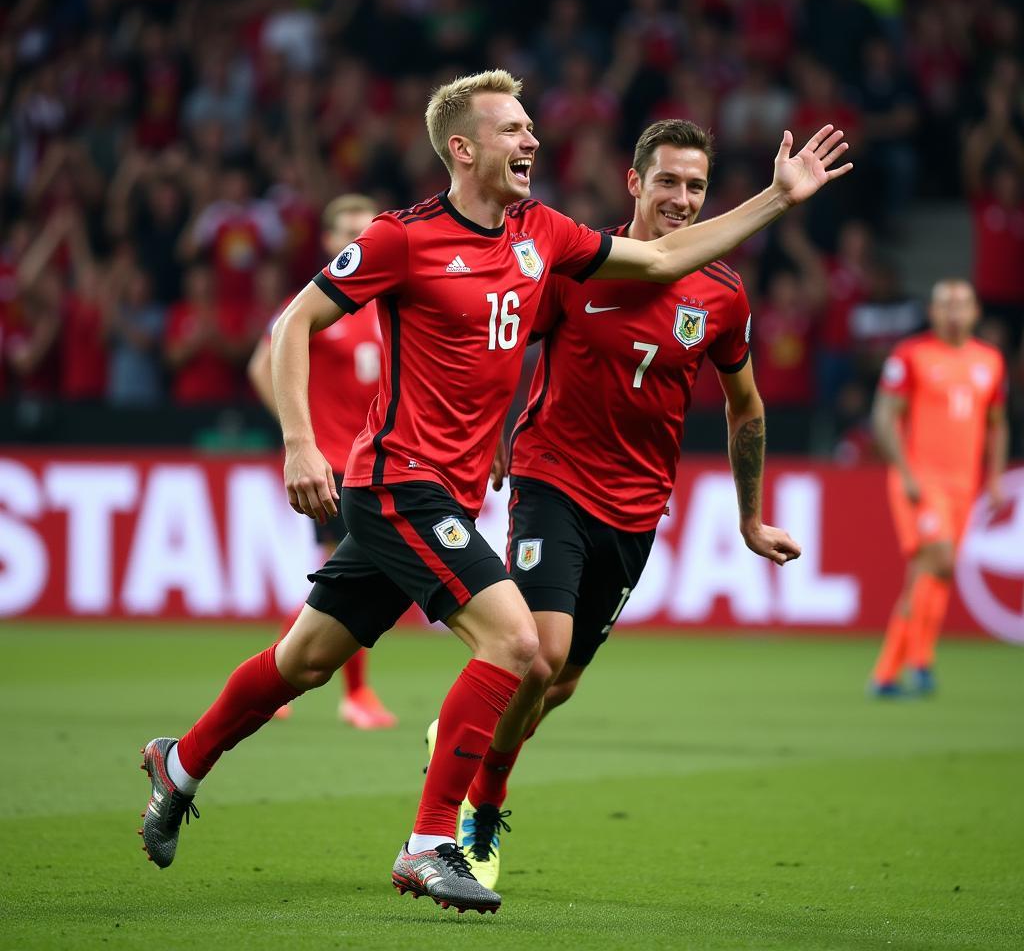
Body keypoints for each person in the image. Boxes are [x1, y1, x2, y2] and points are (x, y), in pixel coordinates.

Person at [138, 69, 850, 914]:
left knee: (306, 661)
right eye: (513, 130)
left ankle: (178, 763)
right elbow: (295, 321)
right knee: (520, 647)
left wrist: (777, 197)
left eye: (530, 127)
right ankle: (431, 843)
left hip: (451, 490)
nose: (532, 141)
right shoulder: (402, 239)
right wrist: (300, 442)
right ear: (463, 149)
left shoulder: (542, 234)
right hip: (399, 478)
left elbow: (659, 257)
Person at [440, 119, 801, 889]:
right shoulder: (576, 265)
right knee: (538, 655)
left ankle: (470, 730)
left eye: (696, 186)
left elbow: (746, 406)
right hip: (552, 479)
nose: (681, 198)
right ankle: (480, 805)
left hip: (637, 509)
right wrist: (495, 430)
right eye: (667, 181)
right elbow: (507, 342)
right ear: (634, 182)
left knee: (557, 682)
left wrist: (748, 517)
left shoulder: (723, 294)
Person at [247, 193, 397, 730]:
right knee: (354, 579)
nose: (359, 241)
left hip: (380, 459)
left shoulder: (391, 302)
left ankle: (276, 676)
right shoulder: (311, 302)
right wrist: (299, 436)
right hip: (333, 462)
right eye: (348, 233)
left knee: (350, 580)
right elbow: (261, 366)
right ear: (330, 242)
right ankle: (351, 694)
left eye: (367, 230)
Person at [869, 279, 1007, 697]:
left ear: (976, 312)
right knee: (940, 559)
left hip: (963, 484)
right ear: (932, 312)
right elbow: (883, 416)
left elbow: (997, 424)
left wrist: (996, 478)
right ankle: (919, 662)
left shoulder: (990, 361)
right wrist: (906, 473)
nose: (953, 312)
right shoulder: (911, 355)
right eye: (945, 304)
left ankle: (889, 673)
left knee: (934, 572)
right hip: (920, 480)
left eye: (961, 304)